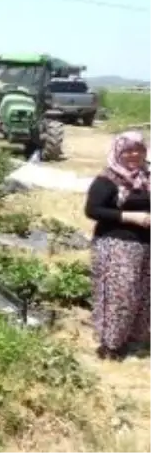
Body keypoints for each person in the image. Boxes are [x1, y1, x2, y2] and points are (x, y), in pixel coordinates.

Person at [85, 131, 151, 361]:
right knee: (119, 295)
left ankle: (135, 340)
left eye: (139, 150)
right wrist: (129, 217)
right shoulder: (108, 179)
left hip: (145, 245)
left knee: (142, 294)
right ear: (118, 152)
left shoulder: (147, 178)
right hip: (116, 244)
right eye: (128, 150)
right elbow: (93, 210)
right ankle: (111, 345)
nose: (134, 155)